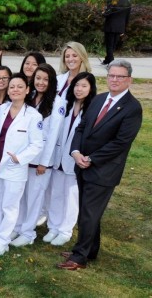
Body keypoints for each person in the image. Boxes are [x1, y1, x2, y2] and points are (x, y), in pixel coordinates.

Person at [59, 60, 142, 270]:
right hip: (82, 163)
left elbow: (121, 143)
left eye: (119, 76)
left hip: (103, 171)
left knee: (88, 212)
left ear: (129, 80)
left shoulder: (132, 108)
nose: (114, 80)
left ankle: (79, 257)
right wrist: (76, 152)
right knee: (88, 211)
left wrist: (92, 159)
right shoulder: (99, 99)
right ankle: (90, 249)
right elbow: (82, 127)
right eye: (111, 75)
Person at [0, 74, 44, 256]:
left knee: (9, 206)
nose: (15, 90)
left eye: (19, 87)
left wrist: (19, 158)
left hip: (14, 167)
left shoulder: (33, 116)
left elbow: (37, 144)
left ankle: (3, 240)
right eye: (12, 87)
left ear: (27, 90)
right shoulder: (2, 109)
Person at [12, 64, 64, 247]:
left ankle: (28, 232)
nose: (41, 82)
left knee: (34, 198)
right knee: (21, 196)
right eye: (38, 78)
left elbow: (52, 136)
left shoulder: (57, 103)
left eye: (45, 79)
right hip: (24, 157)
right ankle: (17, 227)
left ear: (51, 82)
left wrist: (43, 163)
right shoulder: (30, 96)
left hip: (41, 161)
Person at [46, 72, 96, 246]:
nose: (79, 89)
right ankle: (53, 226)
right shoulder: (65, 105)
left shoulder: (92, 109)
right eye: (76, 85)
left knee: (71, 196)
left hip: (75, 159)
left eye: (84, 86)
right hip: (58, 156)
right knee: (55, 193)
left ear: (91, 89)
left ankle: (65, 230)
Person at [102, 0, 131, 65]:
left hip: (110, 27)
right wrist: (124, 29)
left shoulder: (112, 3)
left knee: (109, 45)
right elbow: (127, 18)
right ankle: (107, 60)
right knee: (113, 45)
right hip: (120, 27)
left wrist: (103, 12)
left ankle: (111, 62)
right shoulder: (127, 4)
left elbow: (106, 15)